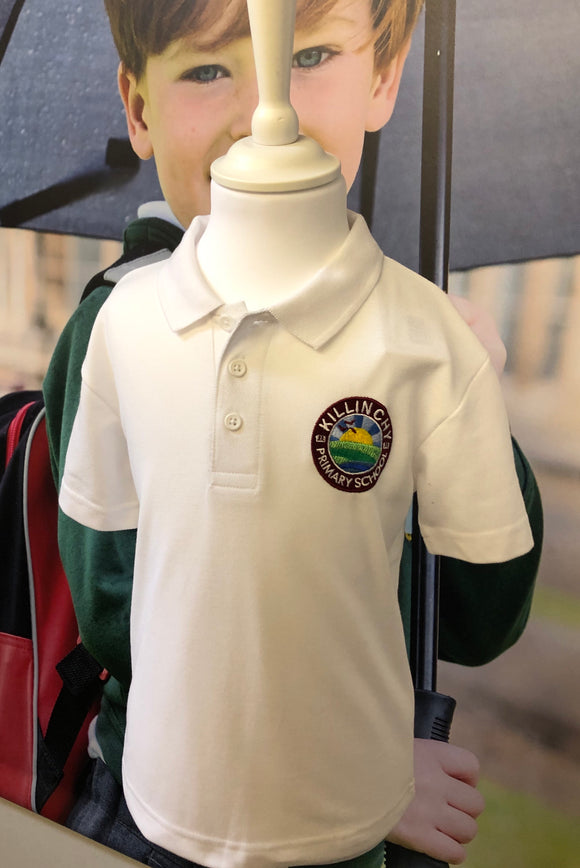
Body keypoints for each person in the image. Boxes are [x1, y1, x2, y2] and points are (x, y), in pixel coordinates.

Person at [43, 1, 543, 866]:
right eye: (207, 69)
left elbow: (477, 616)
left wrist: (470, 404)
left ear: (382, 77)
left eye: (309, 57)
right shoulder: (117, 328)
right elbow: (121, 615)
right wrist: (351, 763)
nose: (260, 112)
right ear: (139, 107)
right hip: (159, 813)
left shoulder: (412, 337)